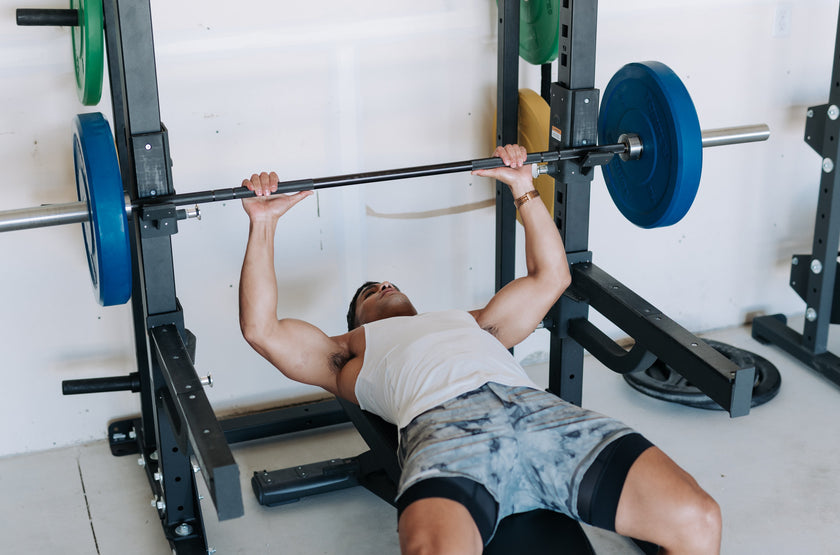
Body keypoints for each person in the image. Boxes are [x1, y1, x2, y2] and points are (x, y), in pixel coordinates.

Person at [238, 144, 722, 555]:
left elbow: (553, 277)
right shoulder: (346, 355)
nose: (383, 284)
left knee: (697, 517)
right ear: (356, 322)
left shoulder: (474, 322)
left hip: (542, 415)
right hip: (448, 437)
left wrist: (522, 185)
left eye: (387, 281)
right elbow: (262, 330)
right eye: (369, 292)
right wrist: (264, 223)